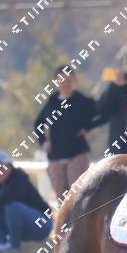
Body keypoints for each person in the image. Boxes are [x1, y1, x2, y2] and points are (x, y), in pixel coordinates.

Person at [34, 68, 97, 198]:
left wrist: (87, 127)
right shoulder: (51, 102)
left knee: (76, 195)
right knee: (61, 198)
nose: (64, 84)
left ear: (74, 81)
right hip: (56, 155)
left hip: (77, 153)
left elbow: (103, 114)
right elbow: (38, 123)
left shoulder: (82, 101)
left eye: (68, 80)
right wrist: (43, 142)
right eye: (61, 81)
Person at [0, 151, 52, 253]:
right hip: (22, 227)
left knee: (12, 206)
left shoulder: (19, 178)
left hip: (42, 225)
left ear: (9, 166)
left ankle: (14, 248)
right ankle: (3, 246)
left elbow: (4, 200)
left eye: (0, 169)